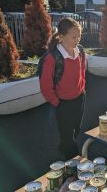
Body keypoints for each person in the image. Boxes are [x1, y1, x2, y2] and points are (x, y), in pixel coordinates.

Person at [40, 18, 86, 159]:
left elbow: (82, 71)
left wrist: (82, 88)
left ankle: (65, 143)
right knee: (68, 137)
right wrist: (57, 103)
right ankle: (74, 164)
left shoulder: (80, 51)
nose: (77, 40)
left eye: (79, 36)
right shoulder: (52, 58)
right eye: (74, 37)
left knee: (76, 129)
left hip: (79, 97)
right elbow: (45, 86)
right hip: (63, 103)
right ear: (61, 36)